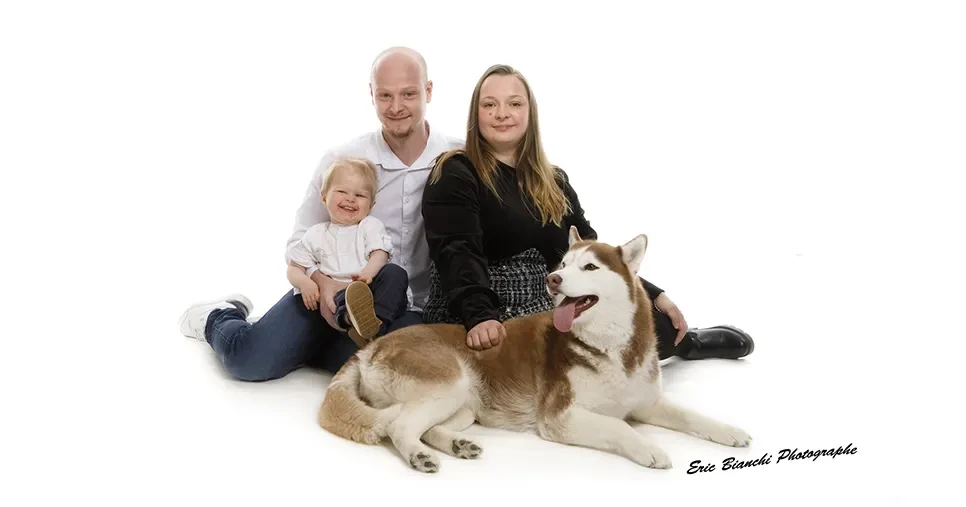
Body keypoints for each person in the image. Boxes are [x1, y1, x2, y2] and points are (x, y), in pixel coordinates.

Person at [421, 64, 755, 360]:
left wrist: (654, 293)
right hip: (482, 303)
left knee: (659, 325)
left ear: (530, 112)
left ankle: (687, 343)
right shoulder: (456, 171)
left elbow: (590, 253)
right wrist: (480, 316)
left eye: (514, 103)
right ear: (476, 113)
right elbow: (456, 251)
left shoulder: (553, 179)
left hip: (547, 294)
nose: (501, 113)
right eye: (489, 104)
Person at [177, 46, 463, 381]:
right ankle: (220, 314)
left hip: (401, 309)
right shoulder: (344, 159)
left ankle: (314, 347)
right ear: (371, 94)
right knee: (249, 361)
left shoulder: (457, 158)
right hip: (326, 292)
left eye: (408, 94)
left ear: (428, 91)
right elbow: (300, 241)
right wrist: (324, 285)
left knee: (382, 375)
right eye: (385, 95)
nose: (396, 107)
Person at [285, 156, 412, 348]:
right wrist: (305, 283)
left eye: (360, 195)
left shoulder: (370, 226)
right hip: (340, 294)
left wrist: (368, 273)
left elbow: (380, 253)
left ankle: (376, 324)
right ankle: (351, 320)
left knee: (395, 273)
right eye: (342, 191)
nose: (350, 199)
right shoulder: (315, 234)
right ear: (324, 197)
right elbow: (294, 267)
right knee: (342, 298)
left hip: (373, 289)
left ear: (371, 204)